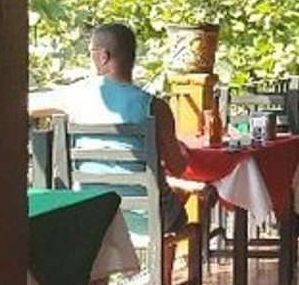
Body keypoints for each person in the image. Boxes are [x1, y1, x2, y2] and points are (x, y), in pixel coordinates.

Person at [29, 22, 191, 234]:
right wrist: (182, 151)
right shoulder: (155, 107)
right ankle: (159, 256)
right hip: (146, 220)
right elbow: (177, 168)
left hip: (91, 216)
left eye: (91, 53)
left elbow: (26, 105)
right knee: (182, 207)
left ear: (103, 57)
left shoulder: (74, 97)